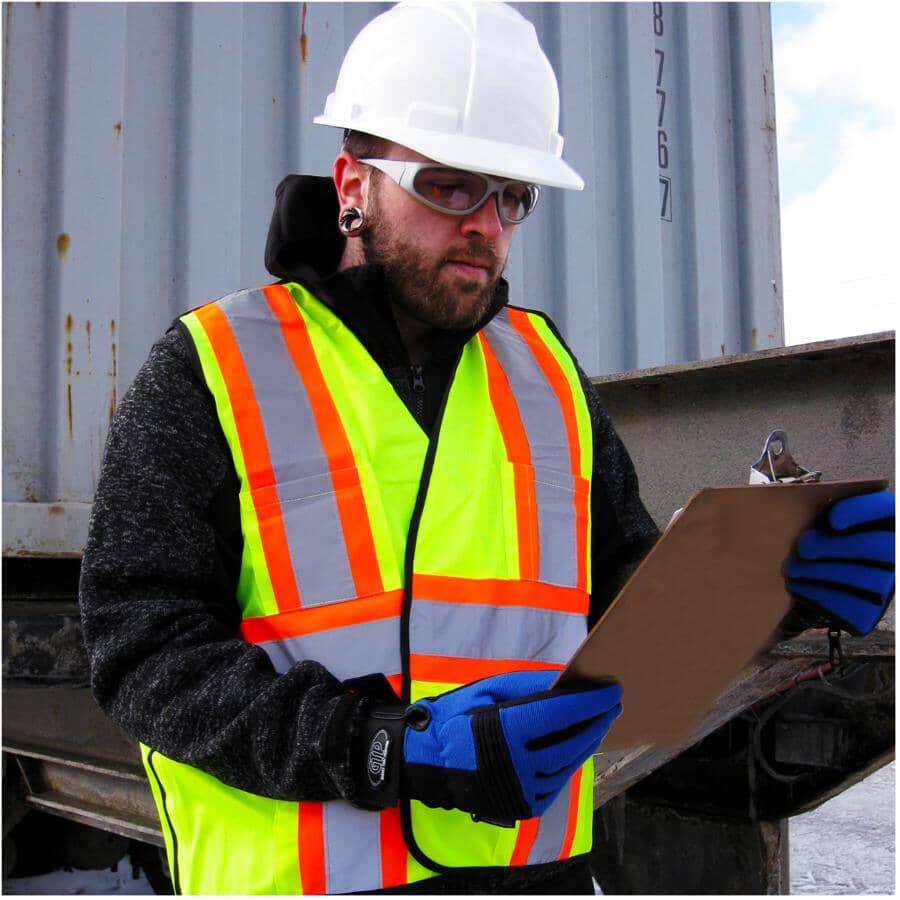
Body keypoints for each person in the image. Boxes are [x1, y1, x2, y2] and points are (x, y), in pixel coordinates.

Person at [78, 1, 894, 895]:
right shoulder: (212, 365)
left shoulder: (545, 370)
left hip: (535, 872)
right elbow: (141, 651)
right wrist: (387, 749)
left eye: (511, 196)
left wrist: (768, 591)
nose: (487, 226)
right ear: (353, 185)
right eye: (450, 186)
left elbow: (626, 601)